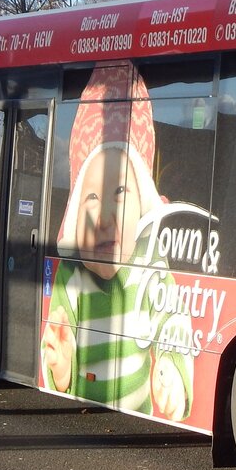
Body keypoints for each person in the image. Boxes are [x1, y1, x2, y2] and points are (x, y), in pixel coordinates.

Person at [39, 61, 193, 421]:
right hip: (84, 399)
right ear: (77, 209)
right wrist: (59, 369)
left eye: (120, 191)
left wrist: (172, 370)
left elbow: (173, 321)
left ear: (144, 205)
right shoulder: (72, 273)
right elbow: (58, 335)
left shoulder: (150, 263)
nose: (104, 217)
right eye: (91, 198)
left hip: (138, 406)